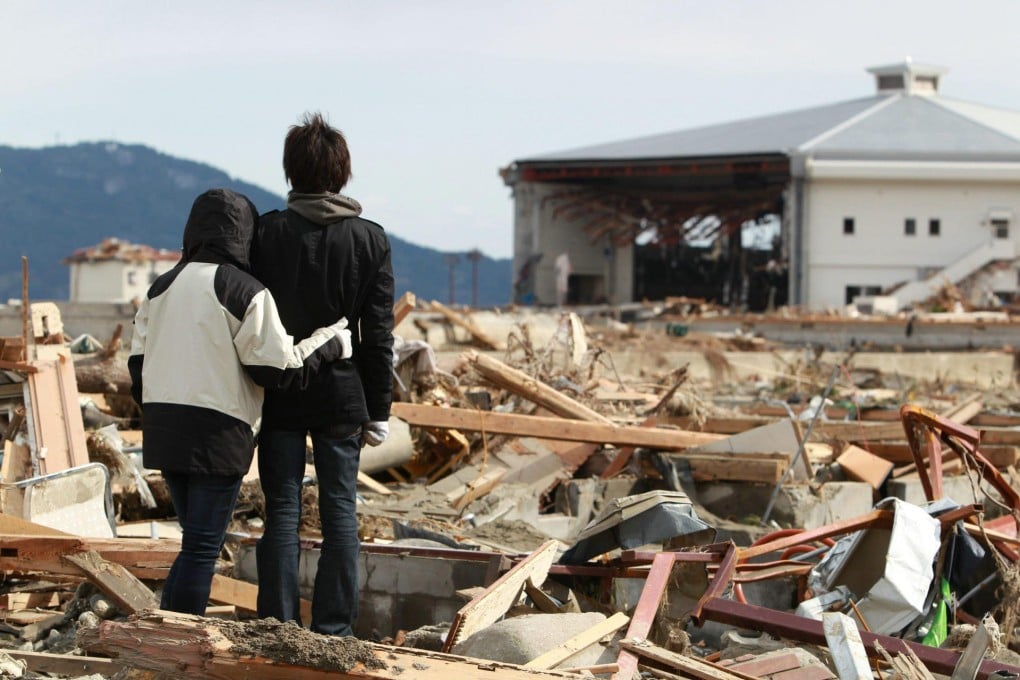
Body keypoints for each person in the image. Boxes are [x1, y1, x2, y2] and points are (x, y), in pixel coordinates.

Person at [128, 188, 353, 616]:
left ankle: (166, 628)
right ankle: (180, 638)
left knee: (193, 543)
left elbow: (137, 369)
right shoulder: (244, 290)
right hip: (218, 432)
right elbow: (279, 371)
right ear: (246, 235)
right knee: (201, 549)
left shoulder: (161, 288)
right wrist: (331, 342)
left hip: (163, 428)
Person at [251, 112, 394, 637]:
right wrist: (379, 409)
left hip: (281, 390)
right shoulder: (370, 240)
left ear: (291, 170)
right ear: (343, 172)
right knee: (339, 512)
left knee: (282, 511)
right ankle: (334, 631)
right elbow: (378, 335)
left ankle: (277, 625)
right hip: (341, 391)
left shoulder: (265, 232)